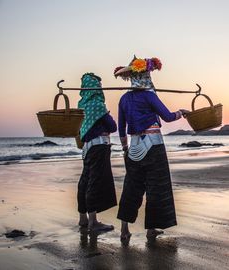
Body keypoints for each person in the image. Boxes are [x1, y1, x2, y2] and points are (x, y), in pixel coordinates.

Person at [114, 56, 189, 243]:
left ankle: (124, 230)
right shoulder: (149, 96)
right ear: (146, 76)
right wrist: (182, 112)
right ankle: (151, 230)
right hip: (154, 146)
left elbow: (121, 128)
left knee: (131, 188)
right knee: (157, 188)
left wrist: (125, 148)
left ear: (132, 77)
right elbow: (168, 117)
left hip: (133, 148)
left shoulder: (124, 99)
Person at [77, 72, 117, 232]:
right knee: (94, 182)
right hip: (99, 147)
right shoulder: (98, 105)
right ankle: (93, 222)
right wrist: (107, 115)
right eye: (99, 85)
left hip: (87, 148)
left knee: (85, 181)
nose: (101, 88)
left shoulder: (82, 105)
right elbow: (112, 126)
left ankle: (83, 218)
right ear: (95, 87)